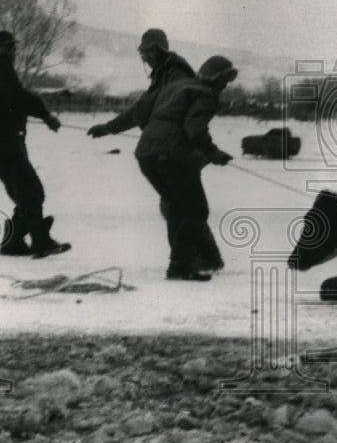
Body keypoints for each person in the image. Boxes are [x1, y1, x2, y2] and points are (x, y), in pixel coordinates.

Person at [89, 34, 236, 280]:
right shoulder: (202, 92)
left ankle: (188, 262)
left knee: (177, 208)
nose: (225, 86)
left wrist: (108, 128)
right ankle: (189, 262)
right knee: (196, 210)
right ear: (217, 78)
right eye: (225, 80)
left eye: (147, 52)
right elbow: (193, 127)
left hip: (147, 153)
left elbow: (140, 111)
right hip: (174, 154)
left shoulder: (173, 80)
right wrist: (213, 152)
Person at [0, 31, 69, 258]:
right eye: (8, 47)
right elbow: (17, 97)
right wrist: (45, 114)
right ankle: (39, 241)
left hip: (1, 140)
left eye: (13, 47)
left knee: (28, 190)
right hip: (1, 140)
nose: (13, 51)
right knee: (30, 191)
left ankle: (14, 241)